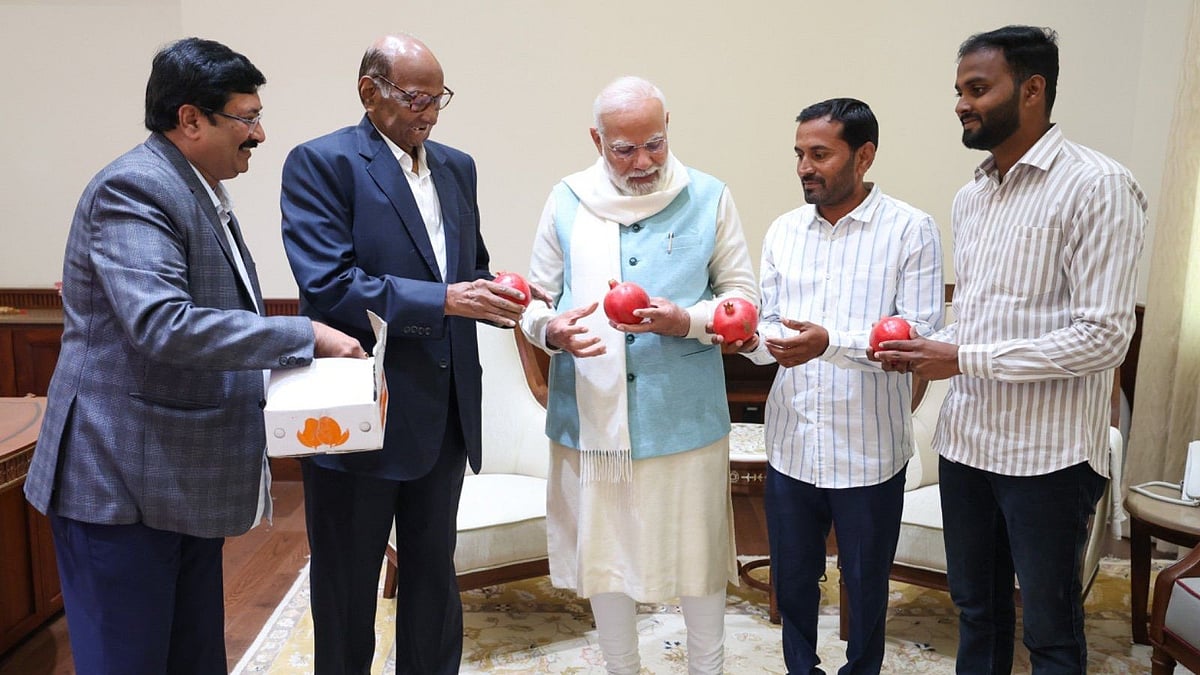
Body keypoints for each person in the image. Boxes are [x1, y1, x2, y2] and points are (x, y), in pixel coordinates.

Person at [22, 37, 365, 675]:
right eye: (245, 117)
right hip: (119, 486)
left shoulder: (195, 185)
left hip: (178, 482)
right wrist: (303, 335)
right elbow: (164, 325)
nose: (259, 134)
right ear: (190, 119)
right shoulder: (135, 188)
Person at [874, 25, 1146, 673]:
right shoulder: (972, 197)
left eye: (977, 87)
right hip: (966, 442)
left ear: (1032, 89)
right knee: (977, 610)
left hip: (1047, 456)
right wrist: (933, 344)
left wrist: (963, 359)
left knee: (1050, 632)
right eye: (959, 90)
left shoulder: (1099, 186)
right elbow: (983, 317)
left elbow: (1104, 336)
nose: (961, 103)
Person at [280, 34, 530, 674]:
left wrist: (499, 290)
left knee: (433, 578)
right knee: (346, 586)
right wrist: (446, 301)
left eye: (438, 98)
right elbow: (328, 286)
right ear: (371, 92)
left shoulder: (456, 166)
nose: (431, 113)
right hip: (359, 409)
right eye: (417, 98)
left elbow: (465, 268)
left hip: (444, 412)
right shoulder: (322, 162)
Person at [519, 76, 758, 674]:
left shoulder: (709, 195)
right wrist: (549, 331)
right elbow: (533, 299)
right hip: (591, 420)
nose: (643, 161)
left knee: (698, 556)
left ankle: (709, 666)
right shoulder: (566, 198)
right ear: (596, 139)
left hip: (685, 417)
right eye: (624, 149)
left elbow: (742, 296)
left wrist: (688, 320)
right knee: (606, 558)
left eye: (654, 143)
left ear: (668, 125)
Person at [739, 98, 944, 674]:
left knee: (866, 585)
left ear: (864, 155)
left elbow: (919, 337)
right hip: (791, 444)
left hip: (869, 452)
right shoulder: (783, 230)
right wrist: (748, 341)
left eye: (820, 154)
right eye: (800, 154)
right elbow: (772, 326)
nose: (805, 166)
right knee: (794, 582)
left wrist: (829, 343)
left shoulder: (911, 229)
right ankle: (799, 667)